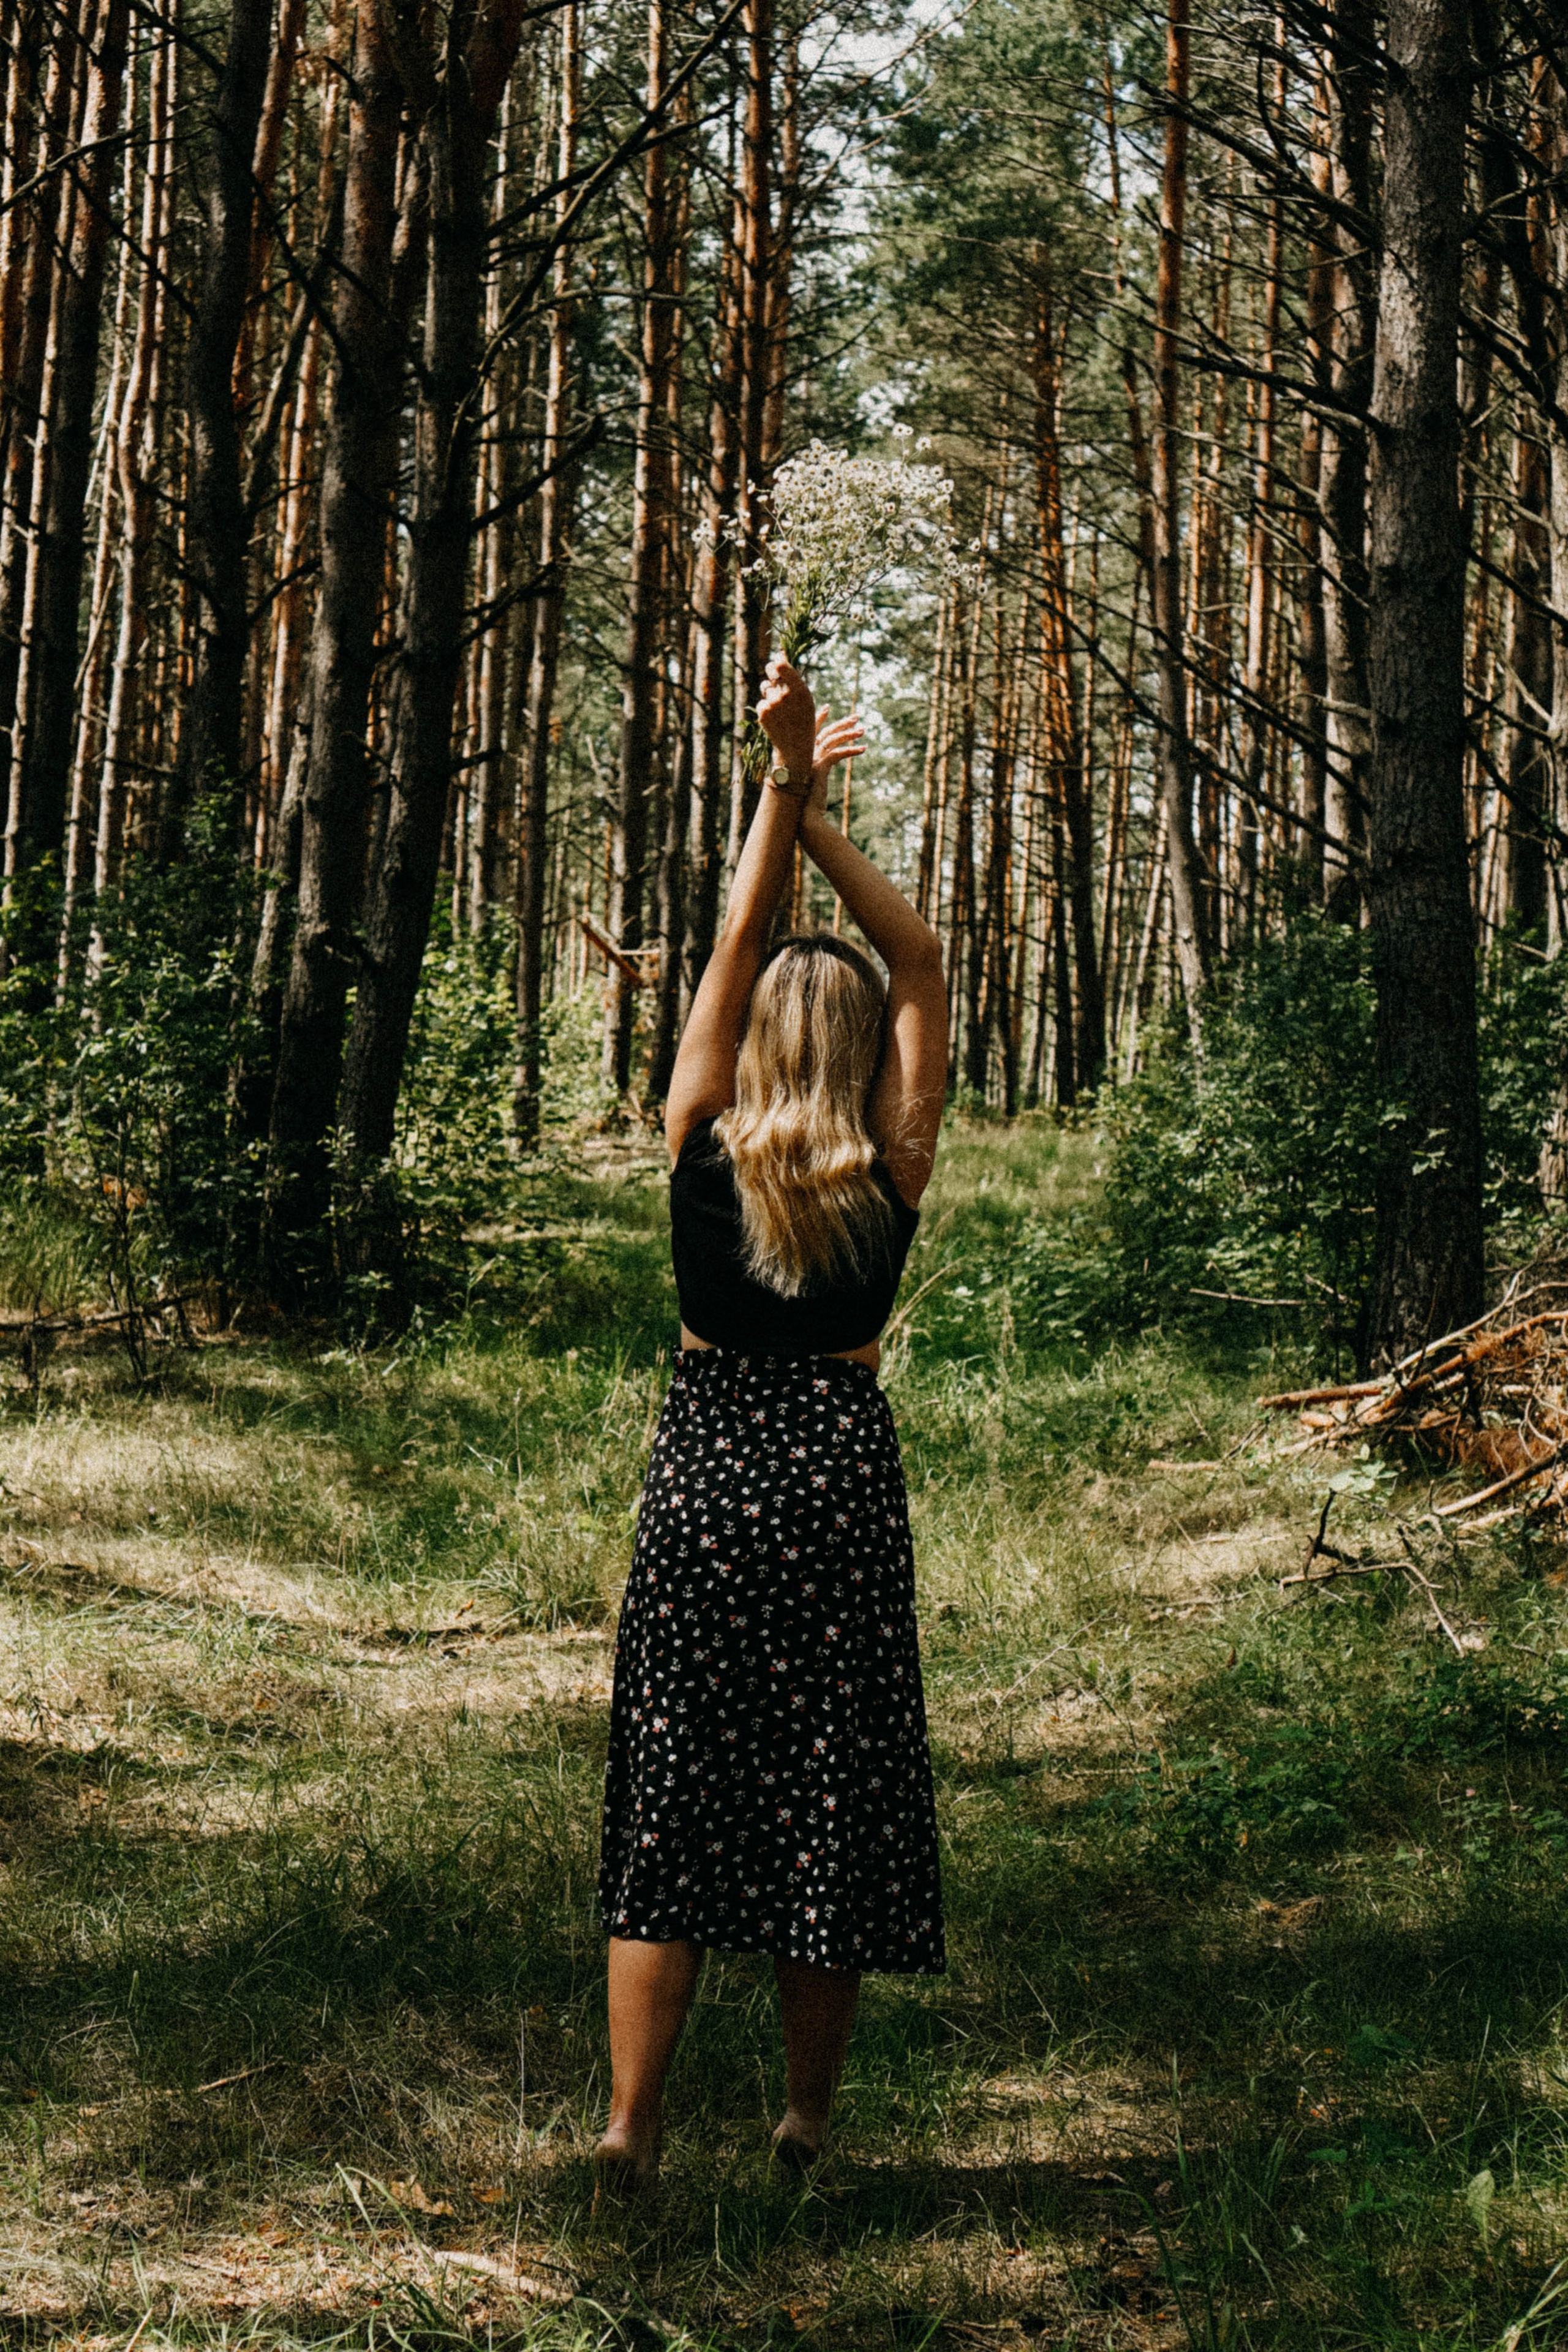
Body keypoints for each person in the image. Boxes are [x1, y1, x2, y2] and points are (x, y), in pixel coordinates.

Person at [594, 652, 949, 2193]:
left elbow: (738, 943)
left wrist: (778, 786)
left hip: (706, 1473)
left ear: (746, 1048)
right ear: (864, 1058)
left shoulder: (695, 1141)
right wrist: (824, 830)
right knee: (833, 1795)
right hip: (836, 1480)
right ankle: (802, 2123)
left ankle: (629, 2127)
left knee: (672, 1792)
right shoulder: (888, 1169)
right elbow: (921, 959)